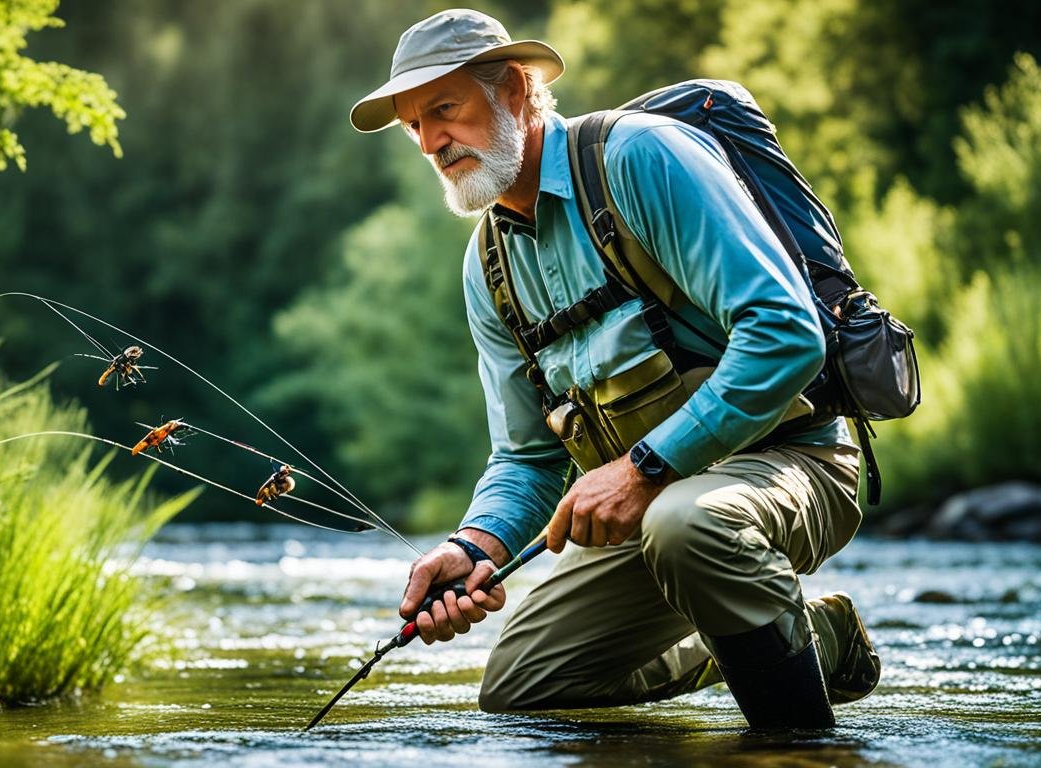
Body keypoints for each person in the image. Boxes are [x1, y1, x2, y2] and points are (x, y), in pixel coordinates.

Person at [349, 9, 880, 728]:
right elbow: (528, 457)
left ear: (512, 90)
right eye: (414, 124)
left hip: (795, 461)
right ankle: (805, 637)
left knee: (688, 525)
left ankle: (796, 743)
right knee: (524, 688)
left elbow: (786, 333)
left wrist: (642, 470)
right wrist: (473, 544)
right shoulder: (488, 266)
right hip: (660, 504)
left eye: (444, 109)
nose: (431, 143)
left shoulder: (643, 159)